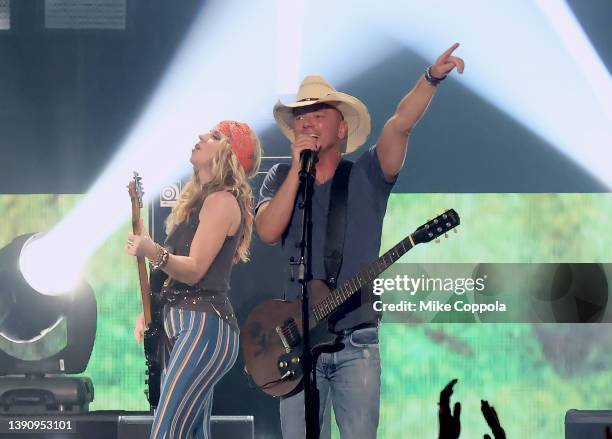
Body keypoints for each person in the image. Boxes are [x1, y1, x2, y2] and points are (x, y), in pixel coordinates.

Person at [255, 44, 464, 438]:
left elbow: (400, 124)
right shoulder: (281, 178)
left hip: (356, 343)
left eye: (319, 114)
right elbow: (267, 231)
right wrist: (298, 167)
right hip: (297, 346)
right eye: (301, 116)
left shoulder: (367, 175)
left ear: (342, 127)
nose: (308, 123)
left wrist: (431, 78)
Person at [126, 120, 262, 439]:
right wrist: (149, 309)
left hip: (203, 327)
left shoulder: (223, 202)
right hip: (185, 326)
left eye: (214, 137)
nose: (201, 136)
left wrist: (152, 251)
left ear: (229, 155)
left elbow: (195, 269)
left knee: (166, 432)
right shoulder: (202, 202)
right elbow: (174, 273)